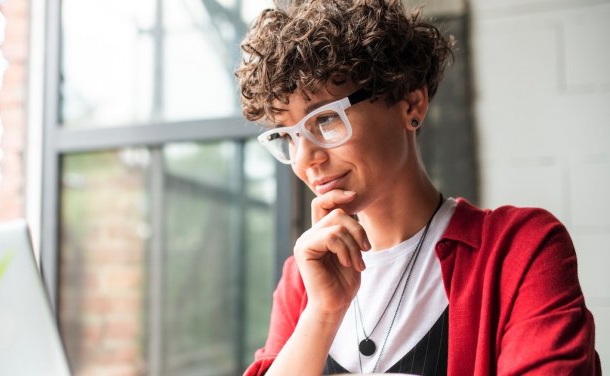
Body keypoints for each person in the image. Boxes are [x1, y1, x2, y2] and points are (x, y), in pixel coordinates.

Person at [235, 0, 602, 375]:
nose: (304, 158)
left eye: (326, 119)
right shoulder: (302, 278)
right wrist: (323, 313)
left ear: (412, 102)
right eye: (288, 136)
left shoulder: (517, 251)